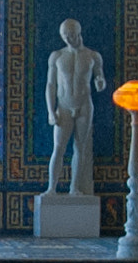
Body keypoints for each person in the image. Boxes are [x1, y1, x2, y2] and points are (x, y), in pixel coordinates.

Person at [45, 19, 107, 196]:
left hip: (84, 105)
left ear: (78, 32)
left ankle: (74, 187)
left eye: (70, 34)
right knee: (58, 148)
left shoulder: (93, 56)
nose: (68, 38)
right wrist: (51, 111)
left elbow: (100, 80)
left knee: (80, 148)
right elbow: (50, 85)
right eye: (64, 35)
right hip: (63, 106)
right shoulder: (57, 56)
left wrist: (100, 82)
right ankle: (52, 188)